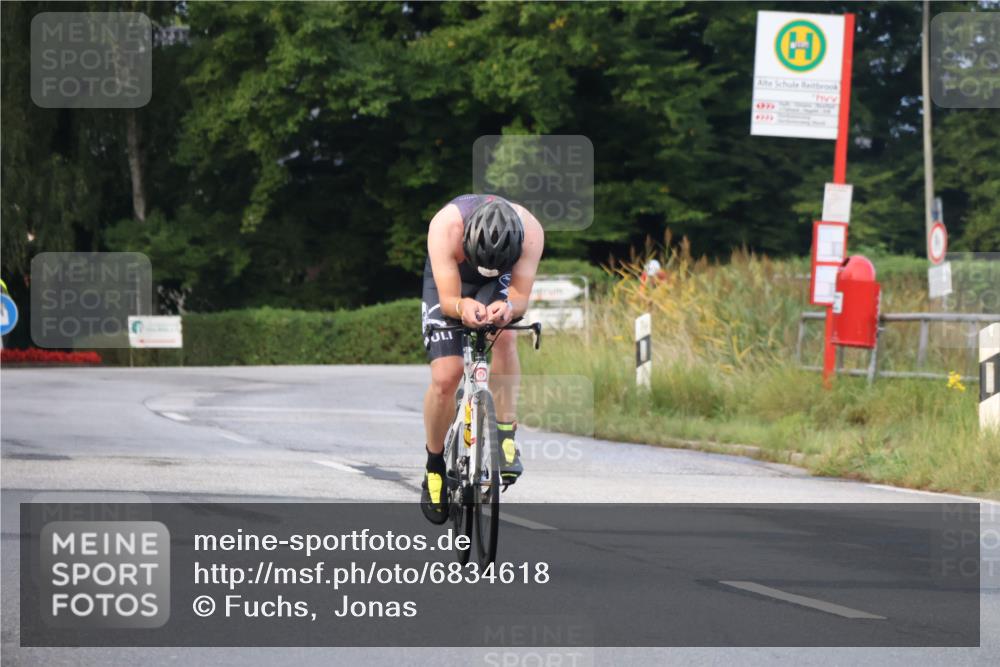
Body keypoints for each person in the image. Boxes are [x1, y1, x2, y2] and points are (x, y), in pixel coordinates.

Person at [420, 194, 544, 524]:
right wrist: (462, 307)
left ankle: (505, 436)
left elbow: (519, 296)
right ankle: (434, 467)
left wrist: (508, 309)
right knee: (447, 376)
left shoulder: (530, 231)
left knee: (504, 340)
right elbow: (448, 300)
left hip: (498, 285)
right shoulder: (445, 226)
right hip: (451, 281)